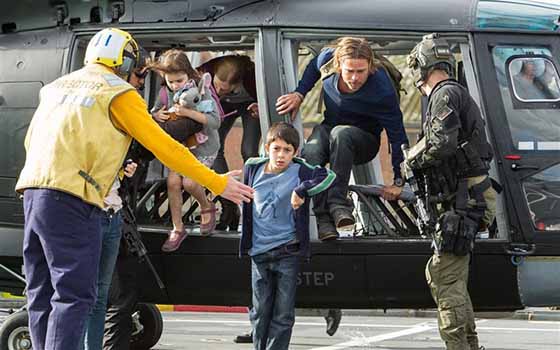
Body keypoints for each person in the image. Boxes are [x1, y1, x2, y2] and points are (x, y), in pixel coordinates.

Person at [15, 28, 253, 350]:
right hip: (73, 198)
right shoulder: (118, 92)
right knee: (74, 296)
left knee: (41, 291)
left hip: (33, 192)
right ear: (124, 61)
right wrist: (217, 182)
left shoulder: (56, 87)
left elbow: (31, 140)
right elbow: (166, 148)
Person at [406, 33, 496, 350]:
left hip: (465, 199)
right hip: (468, 197)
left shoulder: (444, 95)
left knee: (443, 276)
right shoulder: (453, 94)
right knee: (451, 278)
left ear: (422, 65)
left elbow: (441, 143)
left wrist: (412, 162)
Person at [276, 37, 408, 241]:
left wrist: (399, 180)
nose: (354, 78)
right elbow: (312, 67)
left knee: (342, 133)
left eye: (361, 71)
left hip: (364, 139)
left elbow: (397, 134)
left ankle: (339, 205)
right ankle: (324, 220)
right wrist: (300, 93)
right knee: (311, 150)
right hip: (330, 127)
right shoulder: (327, 59)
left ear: (370, 67)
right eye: (349, 71)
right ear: (338, 66)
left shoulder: (382, 89)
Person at [240, 122, 336, 350]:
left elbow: (328, 176)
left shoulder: (300, 170)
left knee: (283, 314)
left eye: (287, 150)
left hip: (287, 252)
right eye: (277, 149)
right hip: (259, 251)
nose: (281, 155)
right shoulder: (252, 168)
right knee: (260, 311)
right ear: (267, 148)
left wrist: (302, 190)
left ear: (295, 153)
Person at [150, 49, 223, 251]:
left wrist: (188, 113)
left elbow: (215, 121)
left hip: (204, 145)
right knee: (173, 182)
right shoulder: (165, 93)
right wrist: (157, 115)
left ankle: (206, 205)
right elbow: (155, 110)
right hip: (180, 145)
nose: (175, 86)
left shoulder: (201, 92)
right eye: (170, 81)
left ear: (189, 75)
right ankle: (177, 227)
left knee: (190, 183)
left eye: (179, 81)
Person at [198, 55, 260, 232]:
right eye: (216, 84)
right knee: (214, 147)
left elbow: (270, 97)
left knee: (249, 151)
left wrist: (260, 106)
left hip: (250, 104)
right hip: (223, 105)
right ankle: (229, 205)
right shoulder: (206, 71)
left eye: (223, 88)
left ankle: (253, 205)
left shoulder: (252, 78)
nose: (217, 89)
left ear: (236, 83)